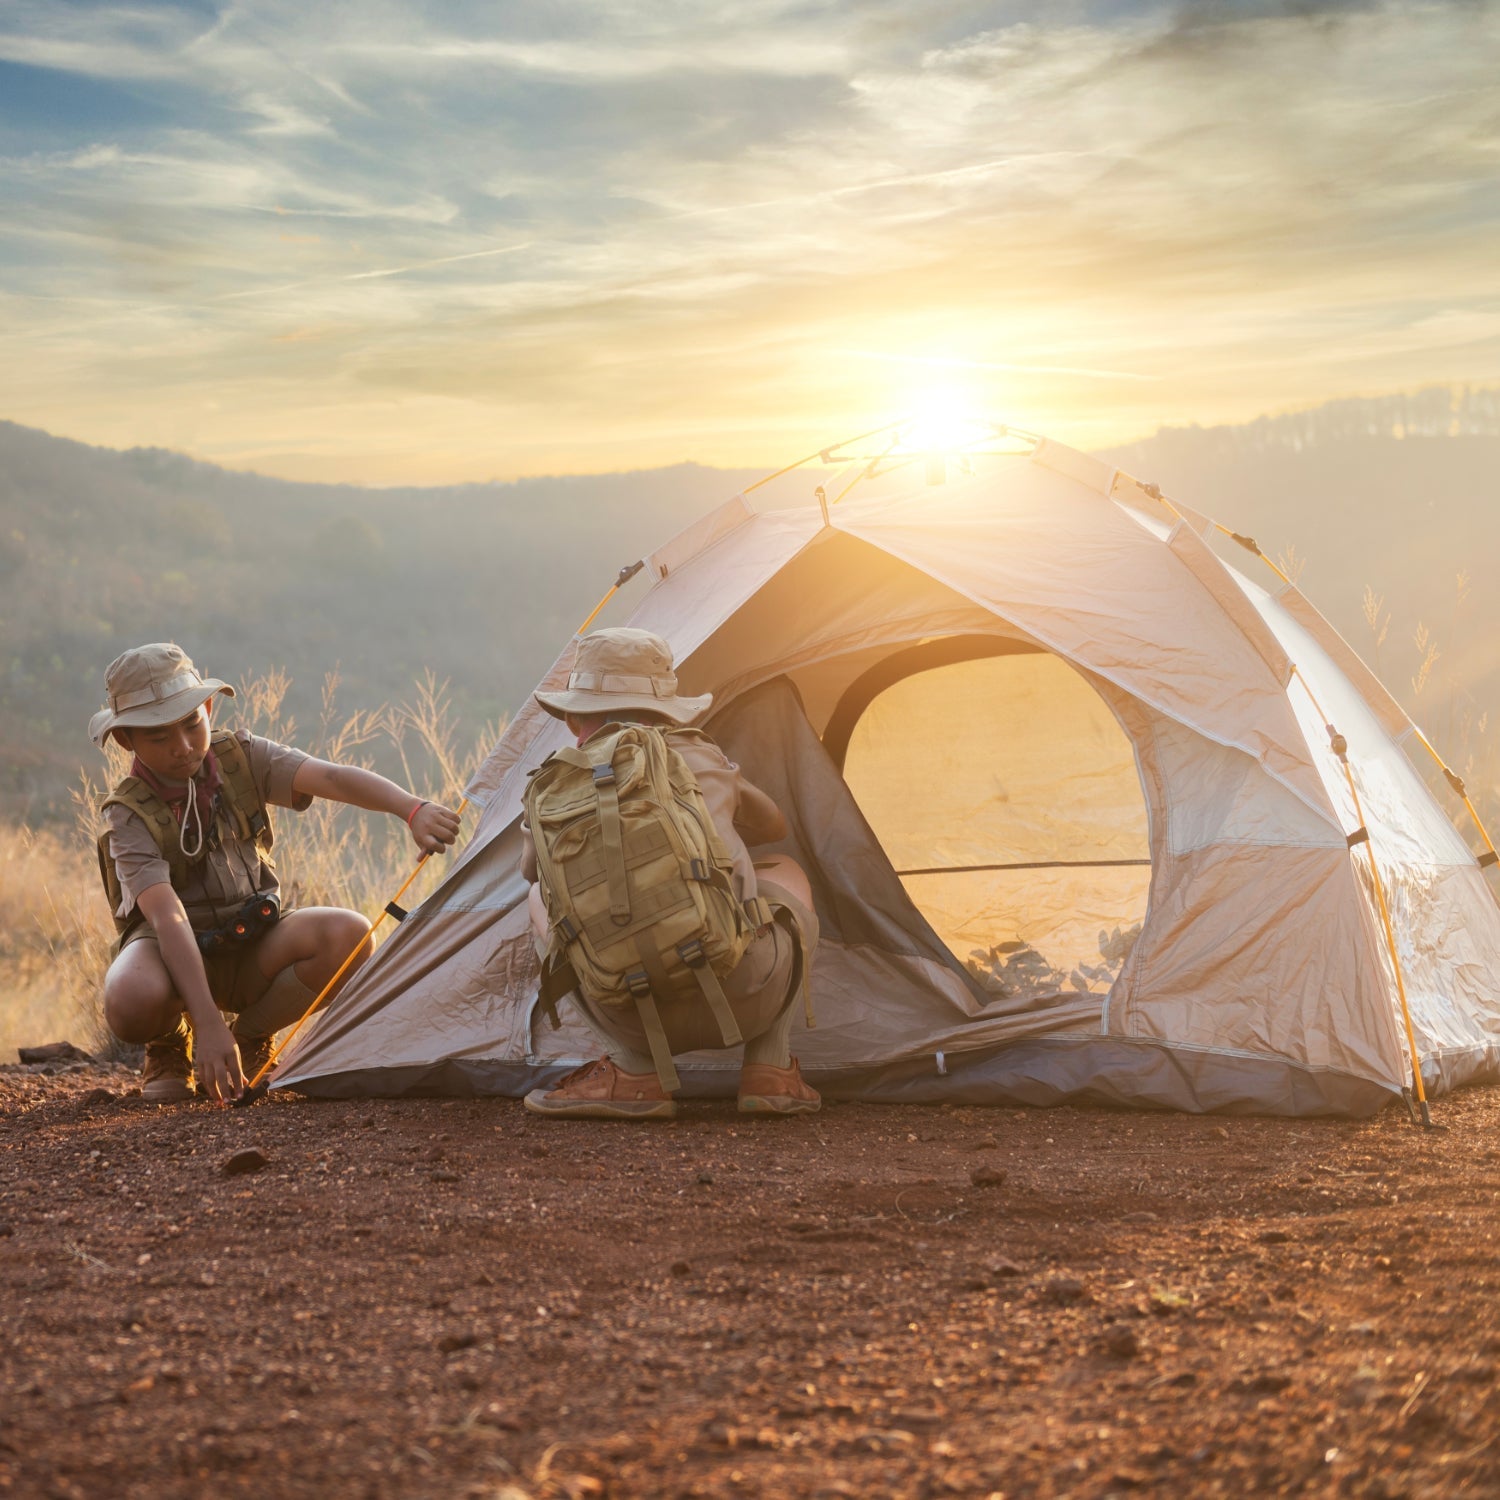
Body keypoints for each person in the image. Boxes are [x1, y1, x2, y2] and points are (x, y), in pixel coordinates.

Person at [90, 643, 461, 1104]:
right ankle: (171, 1046)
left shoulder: (240, 757)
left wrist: (412, 809)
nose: (182, 746)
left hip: (252, 941)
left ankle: (249, 1038)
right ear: (127, 740)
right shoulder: (127, 816)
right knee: (129, 997)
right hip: (172, 956)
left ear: (208, 708)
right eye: (159, 736)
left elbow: (331, 778)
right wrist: (205, 1023)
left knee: (349, 934)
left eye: (191, 724)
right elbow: (169, 919)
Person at [520, 627, 820, 1121]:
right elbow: (775, 826)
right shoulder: (700, 755)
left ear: (573, 718)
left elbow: (528, 871)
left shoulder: (551, 787)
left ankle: (633, 1072)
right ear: (667, 710)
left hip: (628, 1009)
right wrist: (727, 781)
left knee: (537, 895)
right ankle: (770, 1069)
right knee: (786, 870)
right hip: (748, 993)